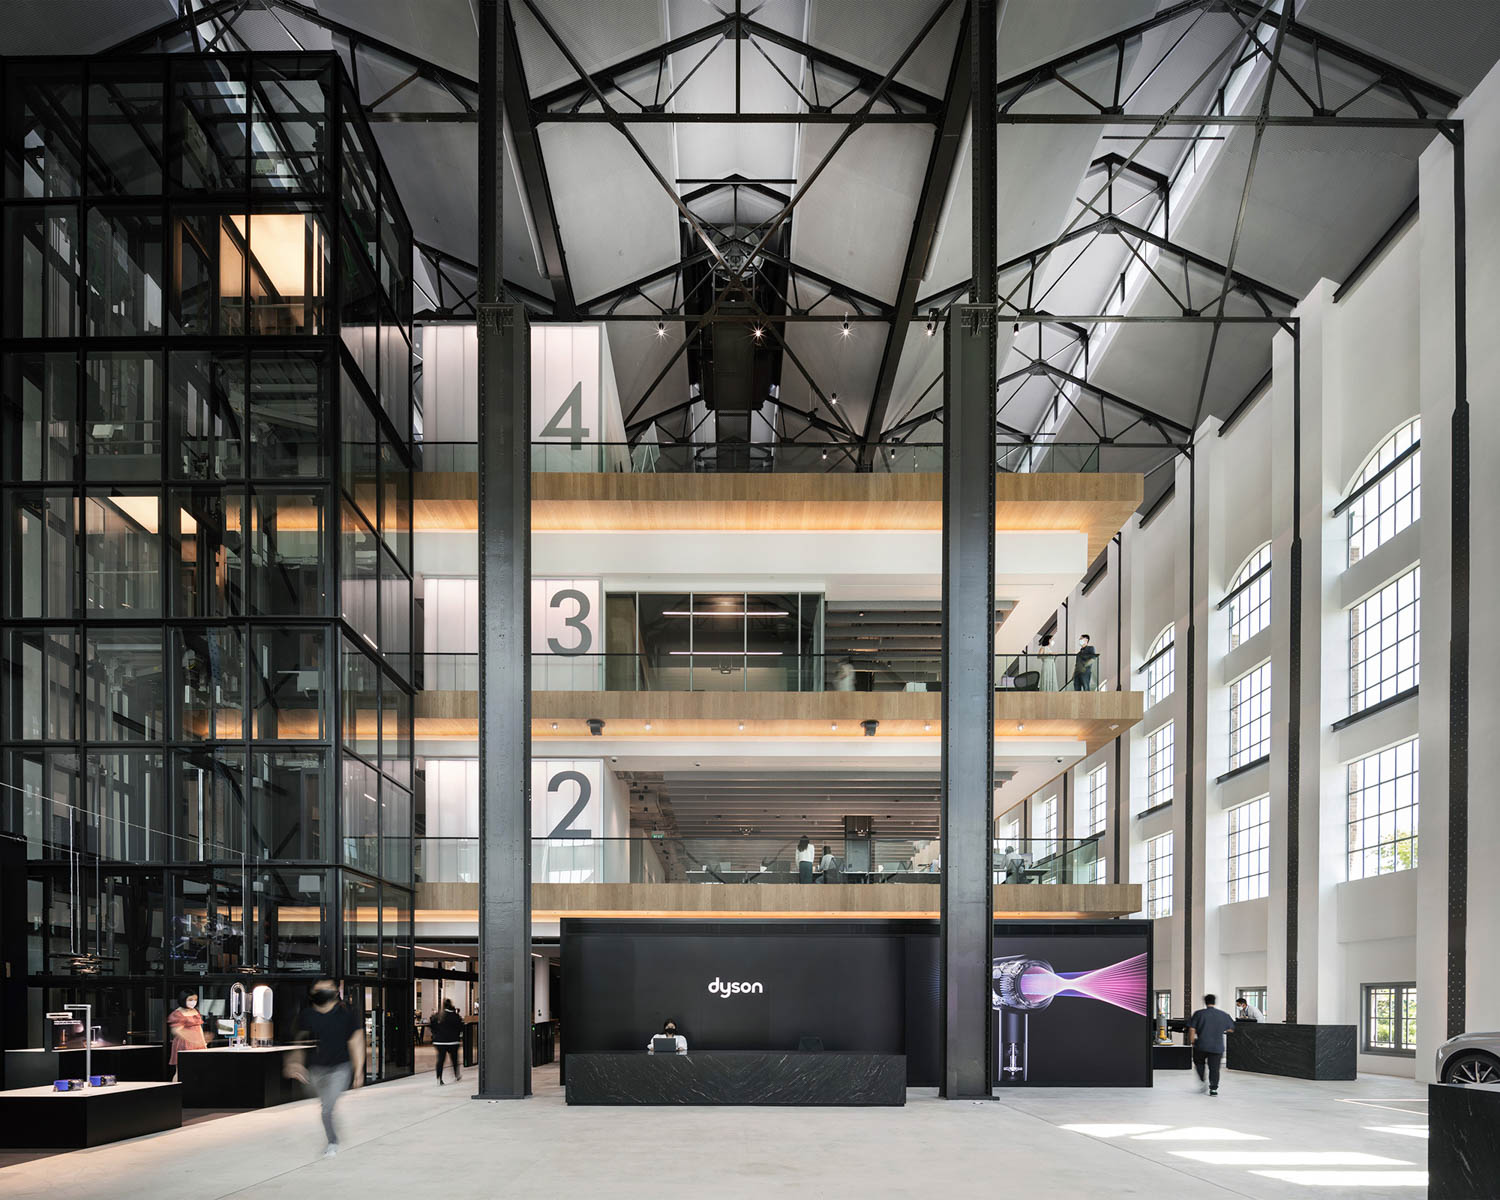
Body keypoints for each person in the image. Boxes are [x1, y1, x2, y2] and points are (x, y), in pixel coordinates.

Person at [284, 979, 365, 1158]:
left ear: (336, 991)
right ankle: (330, 1119)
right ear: (312, 992)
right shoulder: (306, 1016)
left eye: (328, 988)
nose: (323, 991)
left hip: (340, 1068)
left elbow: (357, 1040)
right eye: (319, 988)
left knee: (327, 1109)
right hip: (315, 1070)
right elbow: (299, 1043)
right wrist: (294, 1062)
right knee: (324, 1103)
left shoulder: (346, 1014)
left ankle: (332, 1142)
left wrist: (358, 1069)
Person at [1186, 993, 1237, 1096]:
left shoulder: (1199, 1014)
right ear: (1214, 1002)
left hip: (1201, 1045)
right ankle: (1213, 1089)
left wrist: (1192, 1041)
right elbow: (1231, 1029)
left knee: (1199, 1063)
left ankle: (1202, 1079)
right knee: (1214, 1068)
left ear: (1205, 1002)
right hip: (1217, 1046)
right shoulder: (1223, 1015)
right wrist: (1220, 1029)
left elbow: (1192, 1029)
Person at [167, 992, 207, 1078]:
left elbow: (199, 1027)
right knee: (181, 1070)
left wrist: (203, 1042)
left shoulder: (195, 1011)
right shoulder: (178, 1013)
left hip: (198, 1043)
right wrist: (191, 1039)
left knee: (197, 1069)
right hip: (184, 1043)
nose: (193, 1002)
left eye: (195, 999)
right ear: (183, 1000)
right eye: (190, 1000)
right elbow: (176, 1031)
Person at [430, 998, 464, 1085]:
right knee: (454, 1059)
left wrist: (435, 1035)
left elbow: (432, 1026)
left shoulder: (437, 1015)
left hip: (439, 1041)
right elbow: (460, 1027)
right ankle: (456, 1075)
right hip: (452, 1041)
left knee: (440, 1060)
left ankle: (439, 1078)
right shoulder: (455, 1016)